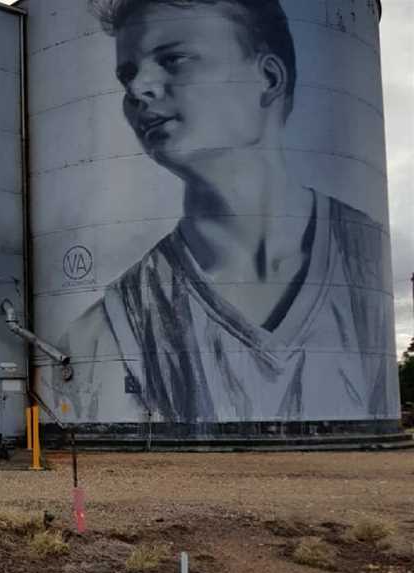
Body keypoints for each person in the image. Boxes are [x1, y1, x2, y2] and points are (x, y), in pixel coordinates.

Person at [49, 0, 396, 425]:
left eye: (173, 59)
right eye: (127, 75)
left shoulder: (363, 267)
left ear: (269, 77)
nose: (139, 88)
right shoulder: (106, 331)